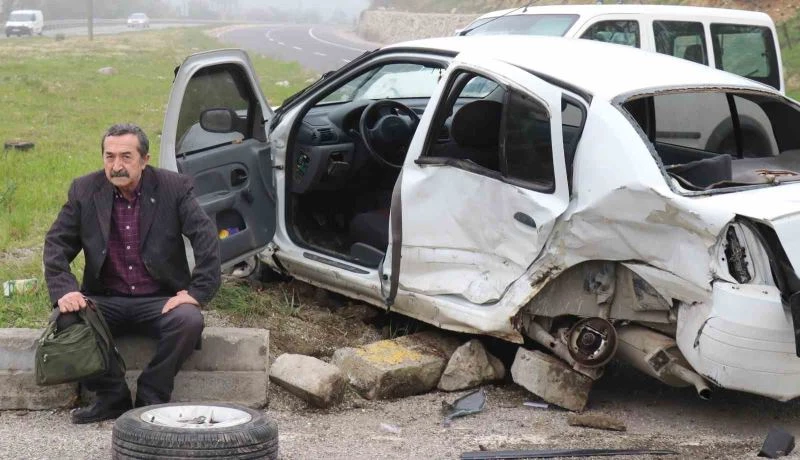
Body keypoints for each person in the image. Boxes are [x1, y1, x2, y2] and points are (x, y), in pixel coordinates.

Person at [43, 123, 221, 424]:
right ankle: (112, 396)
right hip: (105, 299)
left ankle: (151, 396)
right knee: (67, 319)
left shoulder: (173, 188)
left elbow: (206, 238)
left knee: (189, 320)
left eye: (126, 156)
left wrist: (195, 293)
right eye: (109, 156)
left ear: (145, 159)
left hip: (160, 299)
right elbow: (56, 243)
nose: (116, 165)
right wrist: (65, 290)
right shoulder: (85, 190)